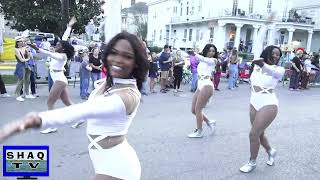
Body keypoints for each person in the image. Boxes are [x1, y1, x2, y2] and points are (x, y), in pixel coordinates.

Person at [0, 32, 149, 180]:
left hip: (118, 169)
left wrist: (31, 121)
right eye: (114, 53)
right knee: (63, 103)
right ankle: (25, 171)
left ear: (137, 62)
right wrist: (67, 29)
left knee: (53, 103)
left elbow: (82, 111)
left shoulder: (127, 96)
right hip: (102, 162)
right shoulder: (111, 82)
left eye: (127, 56)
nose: (118, 59)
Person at [240, 14, 285, 173]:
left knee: (253, 133)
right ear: (266, 53)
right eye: (273, 53)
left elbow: (274, 73)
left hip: (269, 104)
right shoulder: (258, 62)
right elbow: (259, 40)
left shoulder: (278, 69)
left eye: (278, 54)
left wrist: (263, 65)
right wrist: (266, 24)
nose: (276, 55)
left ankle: (252, 162)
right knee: (258, 133)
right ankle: (271, 151)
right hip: (254, 101)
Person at [28, 17, 78, 134]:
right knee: (67, 102)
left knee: (50, 103)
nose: (56, 45)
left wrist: (38, 48)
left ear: (63, 48)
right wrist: (69, 26)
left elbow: (49, 53)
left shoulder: (62, 56)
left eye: (59, 45)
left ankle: (52, 126)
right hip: (59, 79)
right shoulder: (60, 51)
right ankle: (79, 118)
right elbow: (65, 37)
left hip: (59, 80)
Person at [187, 44, 218, 138]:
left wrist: (194, 54)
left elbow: (204, 59)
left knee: (198, 109)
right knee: (193, 110)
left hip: (207, 85)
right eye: (210, 50)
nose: (211, 52)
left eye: (213, 51)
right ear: (206, 51)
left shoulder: (213, 60)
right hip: (200, 84)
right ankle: (209, 122)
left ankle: (199, 131)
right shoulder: (202, 59)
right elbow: (201, 60)